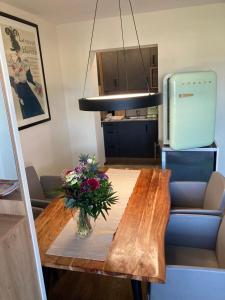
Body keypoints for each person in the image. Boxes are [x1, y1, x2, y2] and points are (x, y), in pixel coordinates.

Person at [5, 26, 45, 119]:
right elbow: (11, 81)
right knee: (26, 109)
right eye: (15, 53)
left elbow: (29, 77)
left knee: (35, 108)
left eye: (18, 52)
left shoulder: (24, 63)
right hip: (20, 89)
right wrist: (18, 94)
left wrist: (36, 84)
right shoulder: (9, 66)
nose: (17, 54)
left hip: (26, 88)